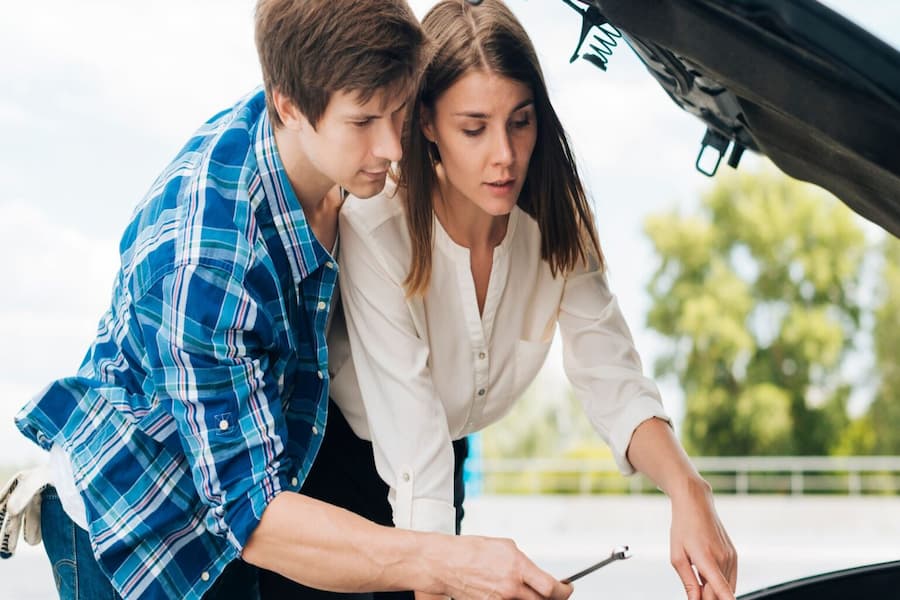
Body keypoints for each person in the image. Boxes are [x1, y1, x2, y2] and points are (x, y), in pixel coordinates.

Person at [0, 1, 572, 599]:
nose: (393, 148)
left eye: (398, 110)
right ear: (289, 106)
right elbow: (256, 515)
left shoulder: (331, 131)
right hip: (143, 522)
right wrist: (445, 562)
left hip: (257, 496)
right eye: (363, 122)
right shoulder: (208, 261)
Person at [325, 1, 739, 600]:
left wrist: (687, 490)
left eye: (520, 122)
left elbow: (613, 376)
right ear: (427, 123)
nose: (506, 155)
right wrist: (442, 579)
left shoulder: (556, 223)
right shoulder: (375, 227)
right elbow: (411, 445)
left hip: (442, 459)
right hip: (340, 474)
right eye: (474, 127)